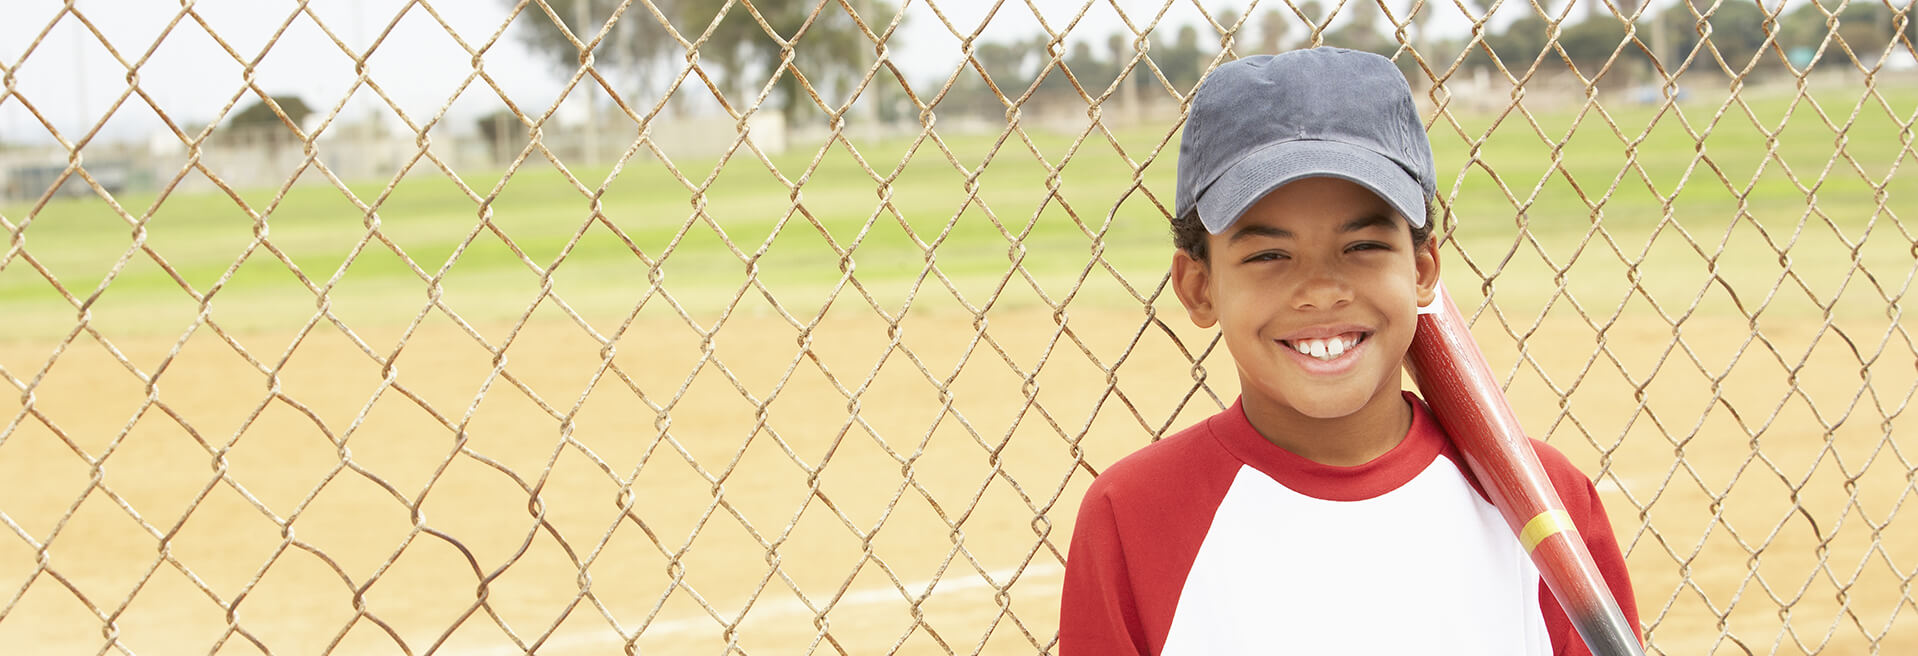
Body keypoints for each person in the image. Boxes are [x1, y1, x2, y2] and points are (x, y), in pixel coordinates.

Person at [1058, 47, 1639, 654]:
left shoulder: (1545, 504)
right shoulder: (1134, 520)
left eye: (1361, 245)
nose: (1321, 291)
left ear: (1422, 270)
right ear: (1199, 287)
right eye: (1268, 255)